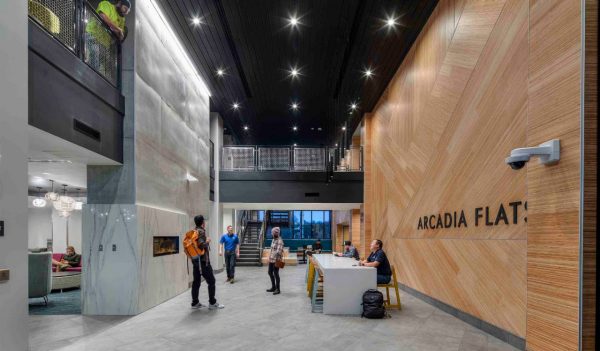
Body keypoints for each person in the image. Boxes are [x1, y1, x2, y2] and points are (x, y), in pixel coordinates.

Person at [85, 1, 130, 75]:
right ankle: (87, 78)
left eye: (127, 11)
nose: (125, 12)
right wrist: (117, 29)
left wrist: (120, 33)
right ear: (119, 4)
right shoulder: (106, 4)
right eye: (125, 8)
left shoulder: (121, 19)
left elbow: (120, 34)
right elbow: (103, 16)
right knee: (95, 58)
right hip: (92, 36)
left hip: (104, 44)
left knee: (108, 67)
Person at [190, 215, 224, 310]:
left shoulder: (194, 231)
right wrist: (208, 241)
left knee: (196, 282)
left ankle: (195, 303)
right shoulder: (201, 231)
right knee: (212, 281)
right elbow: (201, 245)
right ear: (203, 222)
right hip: (203, 262)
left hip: (196, 261)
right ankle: (212, 303)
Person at [267, 227, 284, 295]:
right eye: (272, 233)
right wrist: (269, 256)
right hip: (271, 259)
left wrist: (273, 256)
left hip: (276, 260)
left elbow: (278, 252)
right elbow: (272, 249)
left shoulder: (280, 240)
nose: (272, 234)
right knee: (270, 272)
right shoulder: (273, 240)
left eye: (273, 233)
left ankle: (278, 289)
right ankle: (273, 287)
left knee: (276, 274)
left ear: (276, 233)